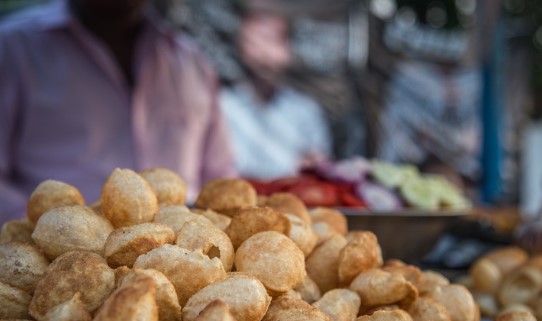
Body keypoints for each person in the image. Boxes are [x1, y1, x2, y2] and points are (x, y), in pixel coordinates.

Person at [0, 0, 236, 223]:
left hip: (186, 251)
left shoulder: (192, 60)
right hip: (55, 256)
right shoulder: (12, 49)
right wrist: (35, 226)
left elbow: (220, 175)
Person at [220, 6, 332, 180]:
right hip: (237, 200)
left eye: (272, 41)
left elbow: (319, 167)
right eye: (254, 43)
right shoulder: (224, 106)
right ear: (240, 48)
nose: (264, 54)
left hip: (291, 202)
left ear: (288, 47)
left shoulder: (306, 111)